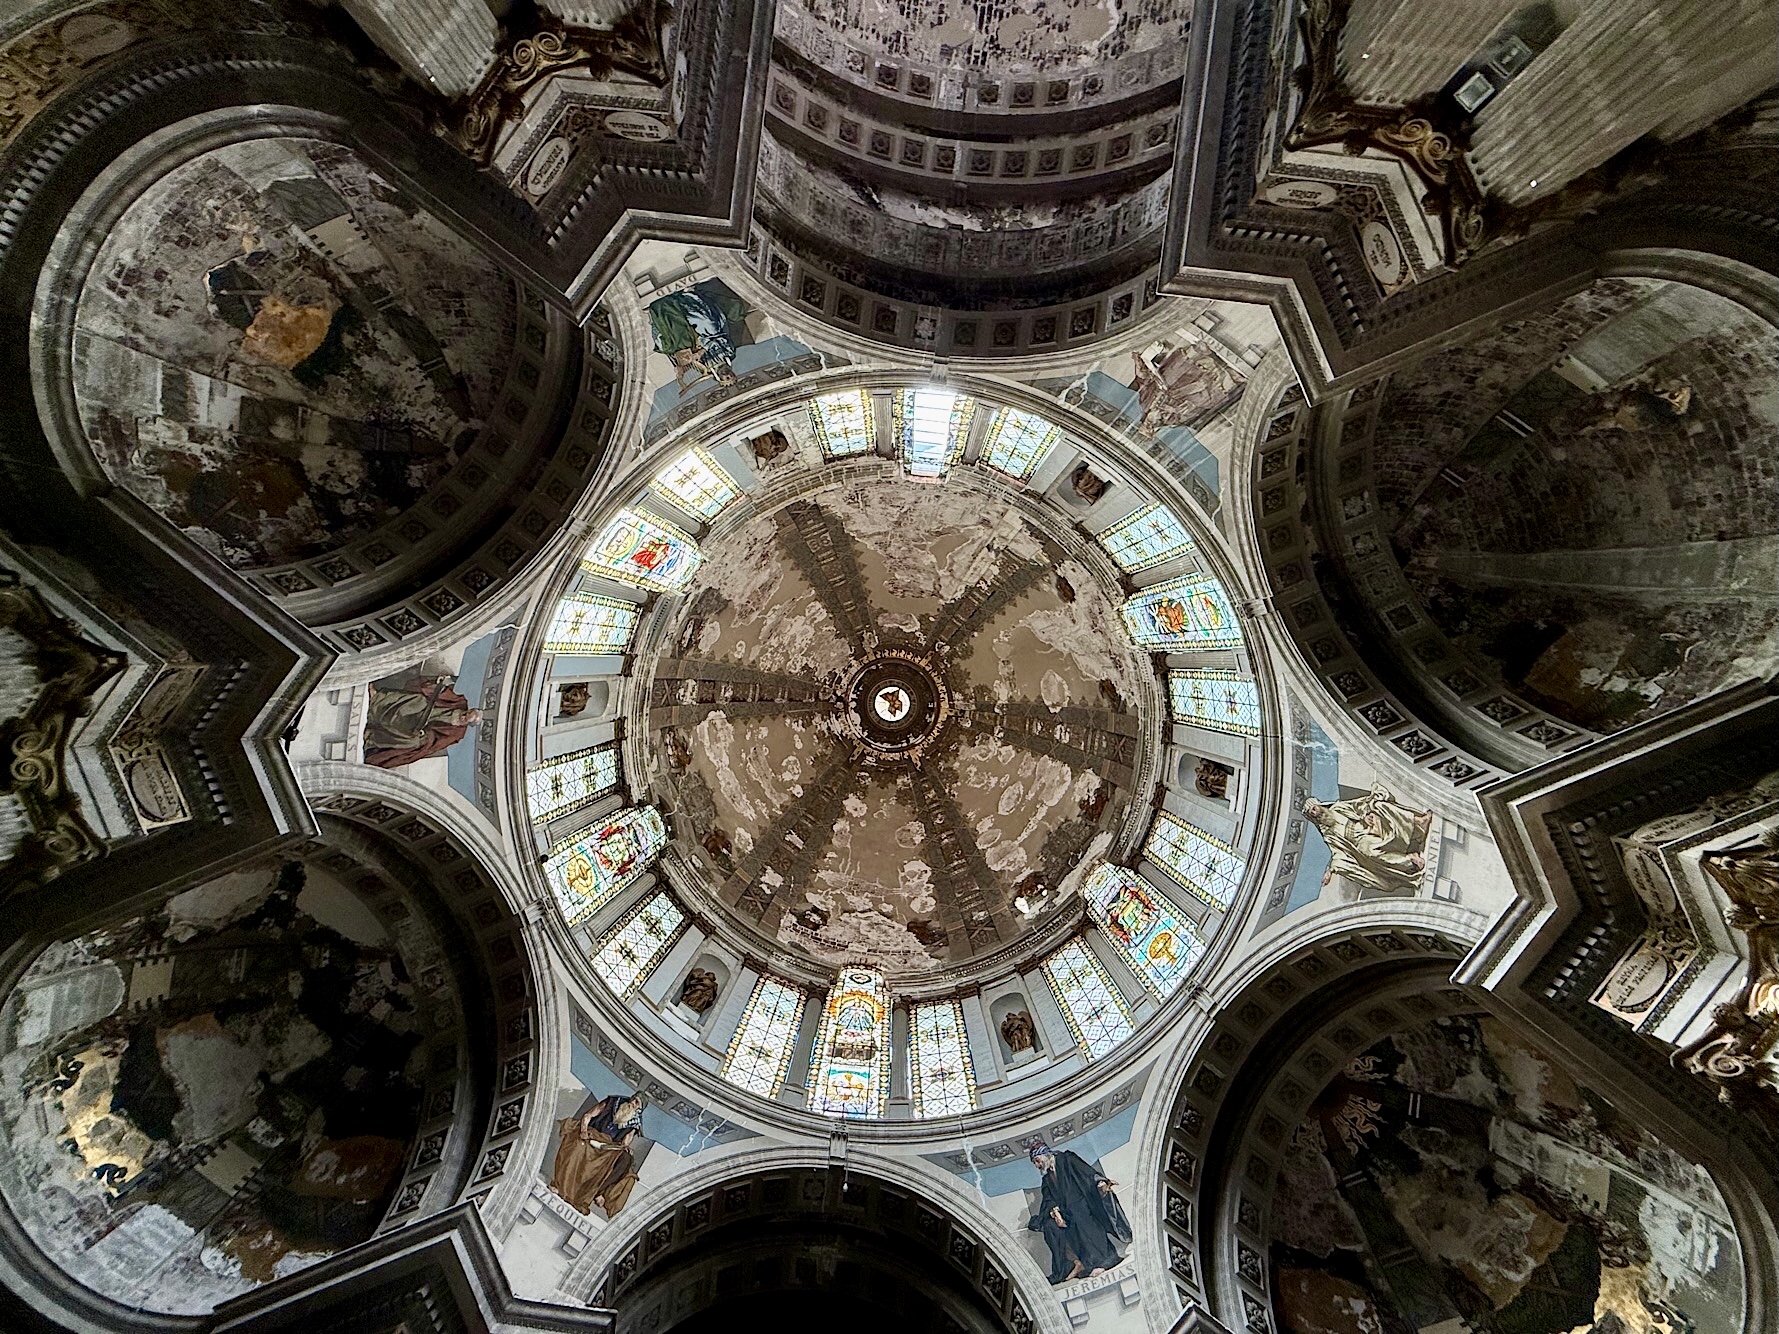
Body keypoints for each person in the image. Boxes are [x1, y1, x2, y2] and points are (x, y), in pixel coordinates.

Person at [1026, 1143, 1131, 1284]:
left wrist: (1100, 1182)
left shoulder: (1067, 1159)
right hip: (1066, 1212)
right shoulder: (1047, 1179)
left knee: (1083, 1220)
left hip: (1082, 1204)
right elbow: (1048, 1199)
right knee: (1051, 1227)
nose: (1037, 1165)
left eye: (1038, 1161)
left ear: (1046, 1155)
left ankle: (1103, 1262)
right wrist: (1055, 1212)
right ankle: (1075, 1265)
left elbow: (1086, 1173)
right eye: (1035, 1163)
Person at [1303, 785, 1433, 895]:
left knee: (1380, 806)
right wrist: (1331, 870)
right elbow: (1338, 852)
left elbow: (1358, 806)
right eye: (1311, 813)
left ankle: (1419, 823)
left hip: (1368, 826)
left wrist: (1365, 816)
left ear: (1319, 805)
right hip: (1361, 843)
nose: (1315, 813)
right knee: (1371, 852)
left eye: (1314, 808)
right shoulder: (1328, 834)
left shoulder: (1337, 808)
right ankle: (1410, 859)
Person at [548, 1092, 645, 1217]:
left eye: (637, 1103)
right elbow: (588, 1115)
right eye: (633, 1099)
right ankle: (559, 1186)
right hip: (591, 1134)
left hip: (607, 1146)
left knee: (609, 1163)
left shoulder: (635, 1122)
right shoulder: (613, 1102)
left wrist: (625, 1147)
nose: (632, 1103)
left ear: (639, 1109)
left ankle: (584, 1198)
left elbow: (627, 1139)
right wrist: (583, 1130)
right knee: (578, 1148)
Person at [363, 666, 481, 768]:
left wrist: (425, 735)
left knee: (413, 741)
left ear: (468, 724)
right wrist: (441, 685)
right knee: (419, 700)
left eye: (466, 719)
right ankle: (377, 700)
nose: (463, 716)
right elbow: (444, 694)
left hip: (423, 730)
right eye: (466, 713)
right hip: (425, 710)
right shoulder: (461, 703)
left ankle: (372, 737)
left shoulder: (457, 734)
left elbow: (437, 744)